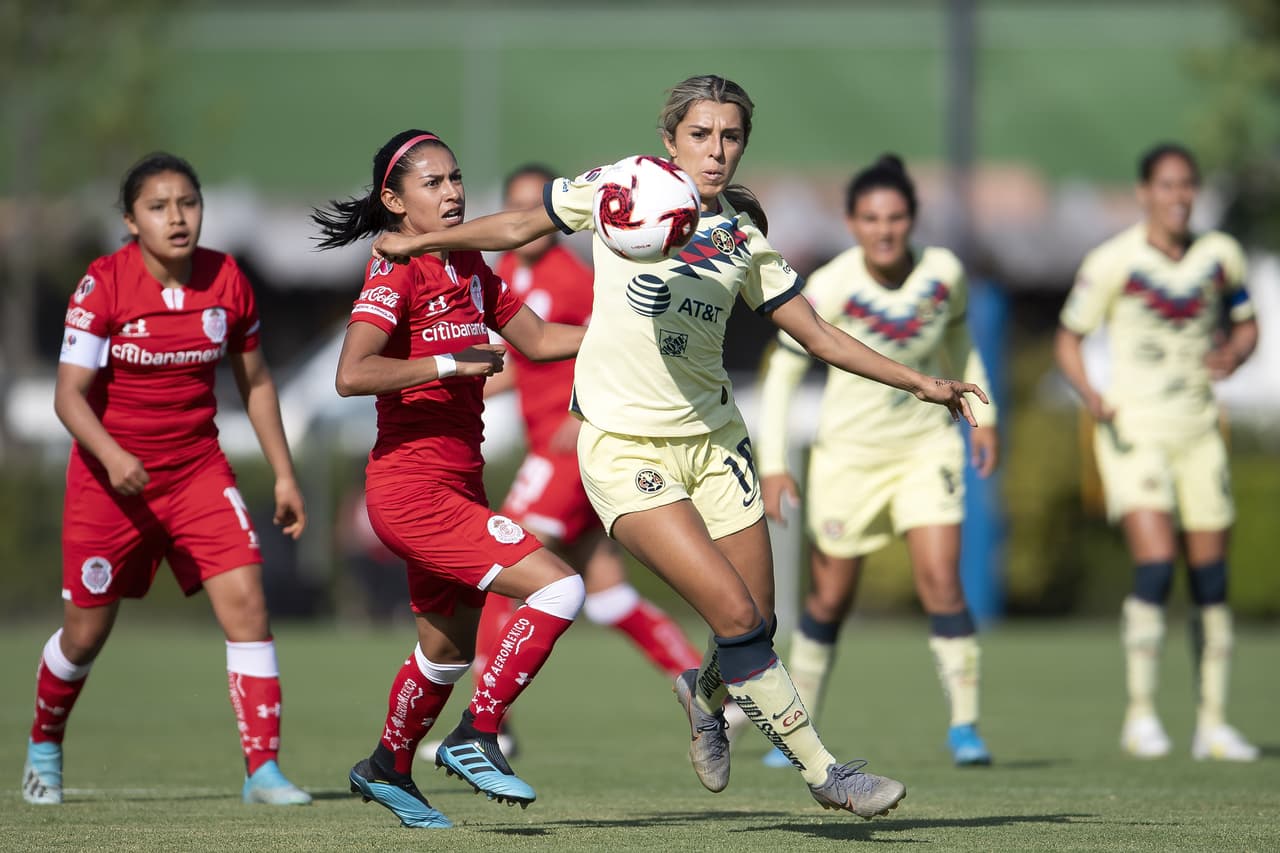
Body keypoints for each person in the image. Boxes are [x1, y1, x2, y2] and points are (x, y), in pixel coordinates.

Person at [373, 76, 988, 819]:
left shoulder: (743, 236)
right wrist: (422, 240)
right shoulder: (621, 187)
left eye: (731, 136)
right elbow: (519, 227)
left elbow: (821, 336)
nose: (716, 150)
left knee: (758, 620)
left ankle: (704, 698)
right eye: (701, 134)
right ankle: (828, 774)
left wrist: (919, 382)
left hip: (716, 443)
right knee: (735, 616)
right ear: (670, 139)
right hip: (625, 447)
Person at [313, 130, 588, 829]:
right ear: (393, 200)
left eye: (456, 178)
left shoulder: (465, 260)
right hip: (411, 491)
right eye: (432, 182)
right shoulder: (395, 270)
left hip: (458, 484)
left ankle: (386, 766)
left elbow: (539, 340)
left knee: (447, 650)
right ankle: (479, 731)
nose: (453, 192)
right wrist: (446, 365)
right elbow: (351, 373)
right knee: (560, 586)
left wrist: (628, 334)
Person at [22, 153, 311, 807]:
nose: (177, 218)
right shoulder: (103, 285)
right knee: (85, 635)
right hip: (109, 483)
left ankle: (263, 769)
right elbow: (69, 396)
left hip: (196, 472)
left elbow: (256, 381)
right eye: (158, 207)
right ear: (130, 220)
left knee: (249, 603)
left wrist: (285, 474)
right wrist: (112, 455)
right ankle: (44, 743)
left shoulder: (226, 279)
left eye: (188, 203)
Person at [419, 163, 711, 763]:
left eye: (539, 206)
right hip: (551, 448)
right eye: (518, 204)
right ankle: (711, 699)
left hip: (568, 449)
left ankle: (490, 725)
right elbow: (520, 359)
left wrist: (582, 414)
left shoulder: (573, 279)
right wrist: (447, 381)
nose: (530, 218)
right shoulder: (507, 272)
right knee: (606, 593)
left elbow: (617, 343)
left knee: (498, 570)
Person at [755, 155, 999, 769]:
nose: (884, 230)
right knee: (829, 599)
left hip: (926, 450)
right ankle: (797, 732)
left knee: (942, 581)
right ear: (852, 223)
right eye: (870, 218)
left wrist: (985, 417)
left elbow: (962, 341)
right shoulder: (831, 284)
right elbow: (783, 372)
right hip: (849, 460)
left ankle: (966, 727)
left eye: (894, 218)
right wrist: (775, 462)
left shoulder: (943, 274)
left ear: (912, 219)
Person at [1055, 142, 1259, 762]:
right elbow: (1068, 338)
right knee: (1156, 564)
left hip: (1199, 431)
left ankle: (1212, 723)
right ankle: (1141, 716)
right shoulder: (1113, 261)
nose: (1179, 196)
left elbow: (1246, 323)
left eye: (1187, 185)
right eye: (1167, 185)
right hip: (1135, 431)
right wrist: (1092, 394)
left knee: (1211, 578)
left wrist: (1236, 351)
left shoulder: (1220, 256)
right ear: (1145, 192)